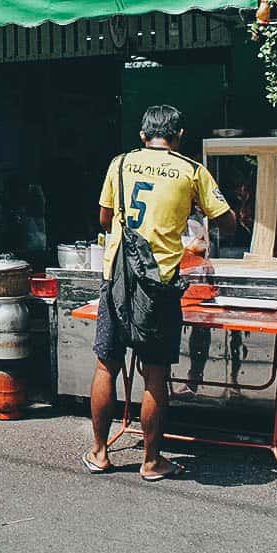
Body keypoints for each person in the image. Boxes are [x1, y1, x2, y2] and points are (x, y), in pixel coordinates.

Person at [83, 105, 236, 481]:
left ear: (142, 136)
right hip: (161, 286)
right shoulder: (191, 171)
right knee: (155, 372)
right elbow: (228, 223)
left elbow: (104, 219)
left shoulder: (119, 164)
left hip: (117, 281)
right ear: (178, 135)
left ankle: (100, 452)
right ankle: (151, 461)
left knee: (106, 365)